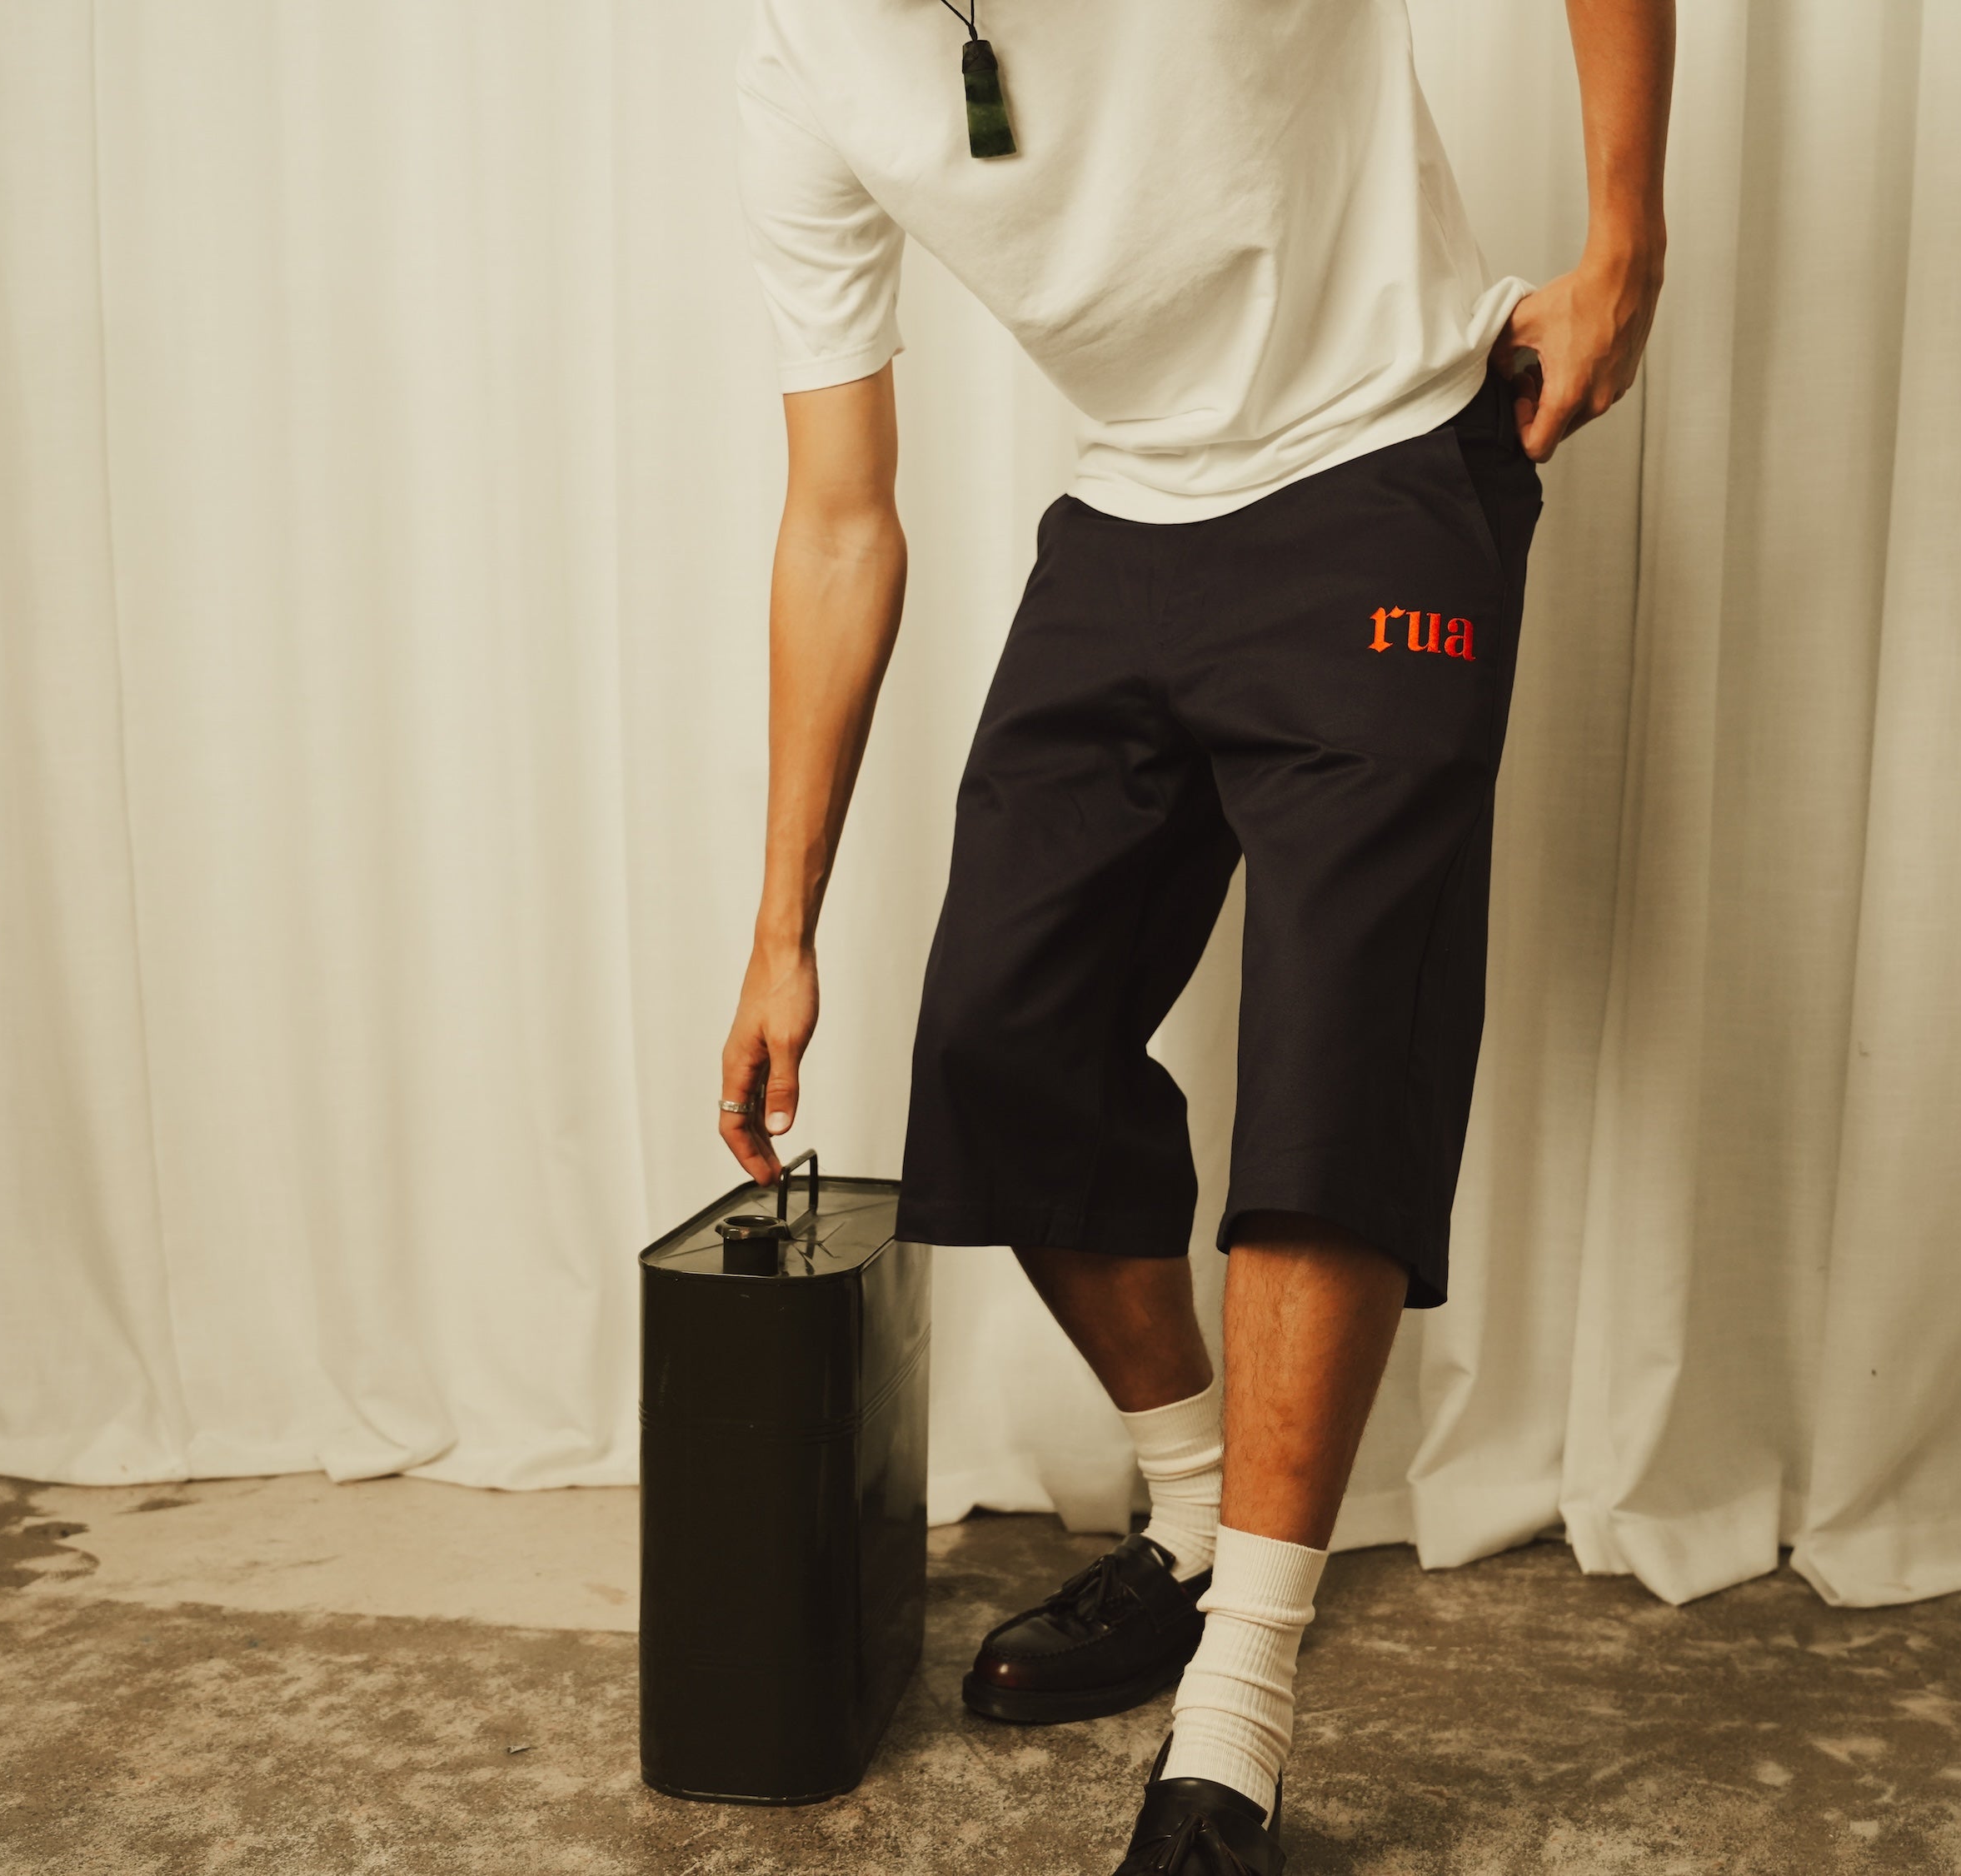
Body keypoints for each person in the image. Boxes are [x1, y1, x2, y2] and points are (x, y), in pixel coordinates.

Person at [716, 2, 1670, 1868]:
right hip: (1134, 506)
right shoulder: (801, 60)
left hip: (1388, 462)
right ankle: (1193, 1519)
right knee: (1001, 1048)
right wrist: (779, 929)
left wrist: (1622, 238)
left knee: (1333, 1073)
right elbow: (836, 519)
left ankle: (1237, 1707)